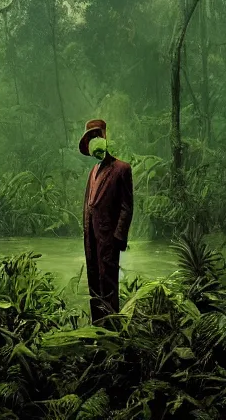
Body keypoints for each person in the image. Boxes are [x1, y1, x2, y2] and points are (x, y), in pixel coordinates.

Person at [79, 119, 133, 327]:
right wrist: (86, 230)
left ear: (104, 137)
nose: (94, 140)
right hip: (91, 236)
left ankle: (111, 328)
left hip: (108, 236)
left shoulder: (121, 169)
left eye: (97, 136)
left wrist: (119, 237)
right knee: (93, 279)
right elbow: (88, 204)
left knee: (108, 280)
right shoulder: (92, 172)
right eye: (90, 138)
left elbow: (127, 206)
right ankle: (97, 326)